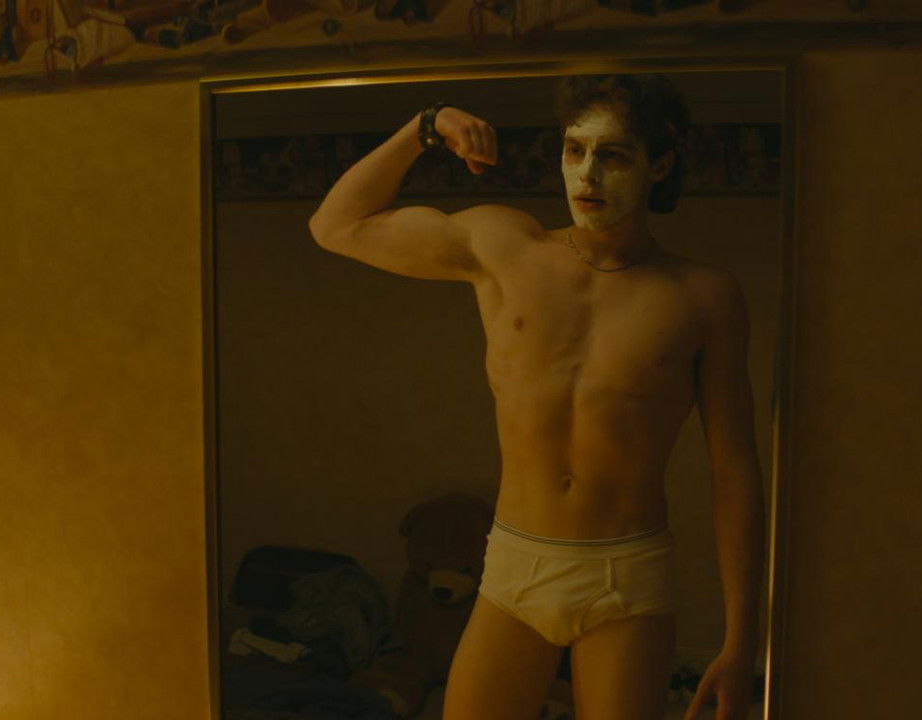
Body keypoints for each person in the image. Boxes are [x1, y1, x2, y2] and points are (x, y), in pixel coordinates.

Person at [307, 74, 765, 720]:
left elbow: (734, 470)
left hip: (626, 575)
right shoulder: (504, 248)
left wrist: (742, 640)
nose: (587, 174)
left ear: (660, 164)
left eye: (613, 155)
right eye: (575, 150)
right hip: (515, 564)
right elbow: (335, 225)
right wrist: (426, 126)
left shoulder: (702, 298)